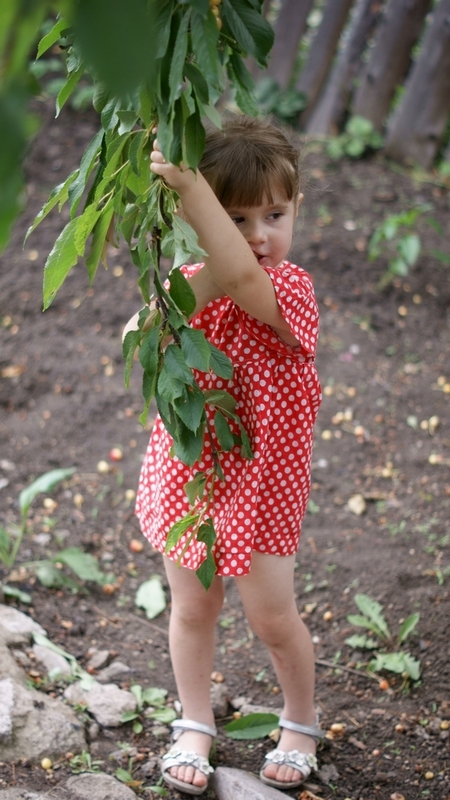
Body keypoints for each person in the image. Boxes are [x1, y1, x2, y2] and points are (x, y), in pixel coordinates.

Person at [125, 114, 323, 795]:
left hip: (263, 481)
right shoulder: (197, 277)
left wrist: (188, 183)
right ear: (201, 220)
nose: (259, 235)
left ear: (298, 206)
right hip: (194, 474)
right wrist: (157, 307)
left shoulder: (287, 289)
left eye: (274, 213)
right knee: (192, 608)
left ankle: (301, 718)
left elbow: (242, 279)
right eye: (235, 217)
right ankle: (196, 722)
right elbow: (146, 327)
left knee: (271, 614)